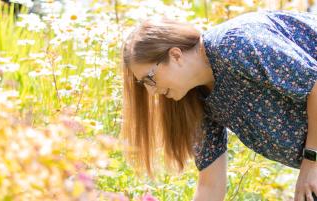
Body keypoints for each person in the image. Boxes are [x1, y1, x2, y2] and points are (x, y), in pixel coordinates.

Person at [120, 10, 317, 201]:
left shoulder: (236, 44)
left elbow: (315, 84)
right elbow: (210, 186)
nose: (151, 92)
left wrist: (312, 160)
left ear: (176, 55)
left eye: (150, 79)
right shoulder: (196, 99)